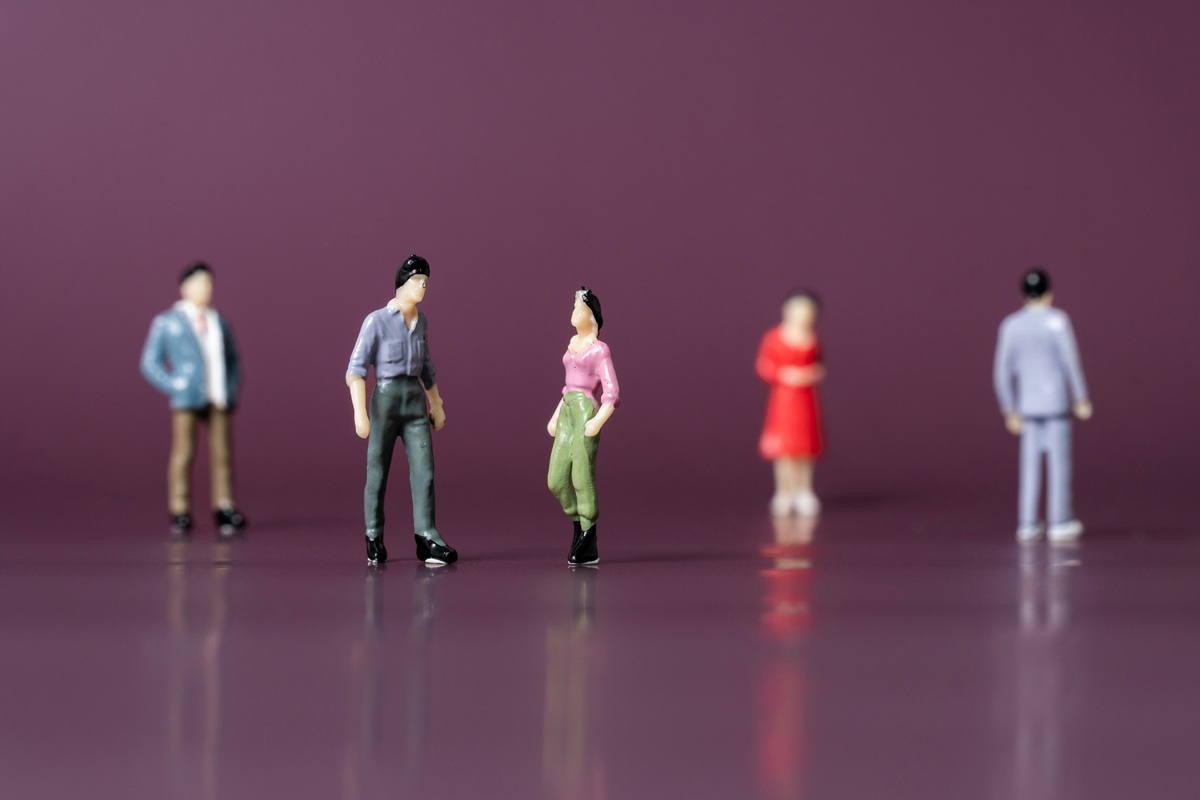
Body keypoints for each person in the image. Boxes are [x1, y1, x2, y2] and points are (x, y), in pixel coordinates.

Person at [347, 254, 456, 565]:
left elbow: (427, 368)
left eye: (425, 283)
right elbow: (355, 370)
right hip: (385, 400)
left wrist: (436, 403)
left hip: (414, 402)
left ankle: (426, 535)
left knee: (425, 471)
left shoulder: (421, 323)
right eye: (417, 281)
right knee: (377, 471)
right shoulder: (377, 321)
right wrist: (359, 413)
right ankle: (373, 534)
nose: (422, 287)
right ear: (402, 283)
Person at [140, 261, 247, 536]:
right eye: (200, 283)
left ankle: (224, 506)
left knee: (222, 454)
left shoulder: (219, 321)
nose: (206, 288)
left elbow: (233, 359)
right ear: (185, 287)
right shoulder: (167, 322)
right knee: (183, 453)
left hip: (217, 396)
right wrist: (174, 384)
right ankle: (180, 509)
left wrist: (231, 388)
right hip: (187, 397)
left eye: (209, 283)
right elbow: (149, 361)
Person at [993, 268, 1092, 542]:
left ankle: (1027, 522)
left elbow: (1001, 372)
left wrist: (1009, 408)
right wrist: (1080, 397)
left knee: (1030, 468)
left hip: (1028, 406)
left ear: (1023, 295)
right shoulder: (1058, 321)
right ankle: (1059, 520)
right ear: (1048, 294)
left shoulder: (1011, 325)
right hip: (1056, 403)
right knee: (1059, 465)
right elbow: (1071, 362)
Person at [547, 287, 619, 566]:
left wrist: (597, 421)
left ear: (592, 316)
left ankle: (589, 537)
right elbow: (567, 387)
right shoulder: (572, 343)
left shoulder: (599, 349)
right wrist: (556, 416)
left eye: (580, 307)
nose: (574, 311)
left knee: (582, 477)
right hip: (567, 409)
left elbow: (612, 392)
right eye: (574, 305)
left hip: (585, 410)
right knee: (556, 480)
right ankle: (579, 524)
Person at [756, 289, 826, 517]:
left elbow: (819, 366)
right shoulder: (774, 337)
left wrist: (811, 374)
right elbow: (765, 366)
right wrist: (786, 375)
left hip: (807, 400)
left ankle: (804, 490)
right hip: (784, 401)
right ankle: (784, 491)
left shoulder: (813, 338)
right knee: (784, 447)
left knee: (805, 447)